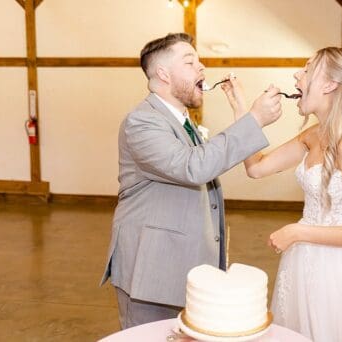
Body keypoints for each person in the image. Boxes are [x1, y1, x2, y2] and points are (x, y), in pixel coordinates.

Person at [220, 46, 342, 341]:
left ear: (330, 84)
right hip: (304, 267)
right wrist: (244, 111)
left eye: (307, 69)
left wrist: (298, 232)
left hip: (341, 276)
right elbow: (256, 168)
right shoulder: (313, 135)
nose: (297, 75)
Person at [101, 33, 284, 329]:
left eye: (199, 61)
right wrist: (254, 120)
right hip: (152, 269)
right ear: (162, 73)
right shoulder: (142, 121)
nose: (202, 68)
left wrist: (241, 110)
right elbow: (193, 167)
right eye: (190, 62)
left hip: (183, 263)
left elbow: (208, 161)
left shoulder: (182, 121)